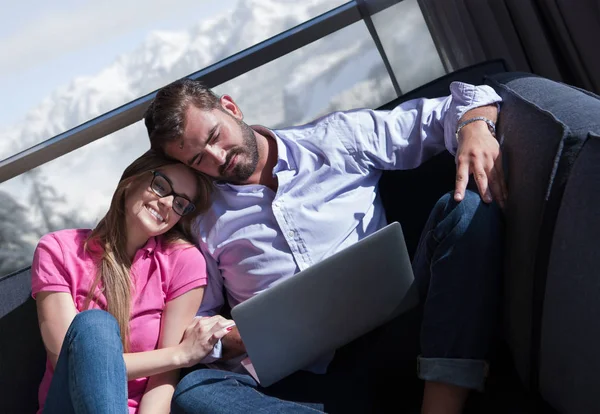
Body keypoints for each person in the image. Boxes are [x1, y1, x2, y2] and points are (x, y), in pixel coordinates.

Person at [144, 78, 506, 414]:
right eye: (198, 160)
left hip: (403, 330)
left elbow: (462, 104)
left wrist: (474, 127)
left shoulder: (335, 137)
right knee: (196, 392)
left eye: (214, 136)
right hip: (309, 382)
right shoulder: (201, 221)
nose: (218, 158)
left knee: (466, 211)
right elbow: (198, 325)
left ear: (231, 108)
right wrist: (240, 337)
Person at [31, 150, 237, 414]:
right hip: (68, 404)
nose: (167, 203)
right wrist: (181, 355)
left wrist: (172, 360)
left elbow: (162, 381)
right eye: (161, 185)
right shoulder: (59, 249)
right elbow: (68, 362)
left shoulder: (183, 262)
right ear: (131, 179)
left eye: (180, 203)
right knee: (95, 325)